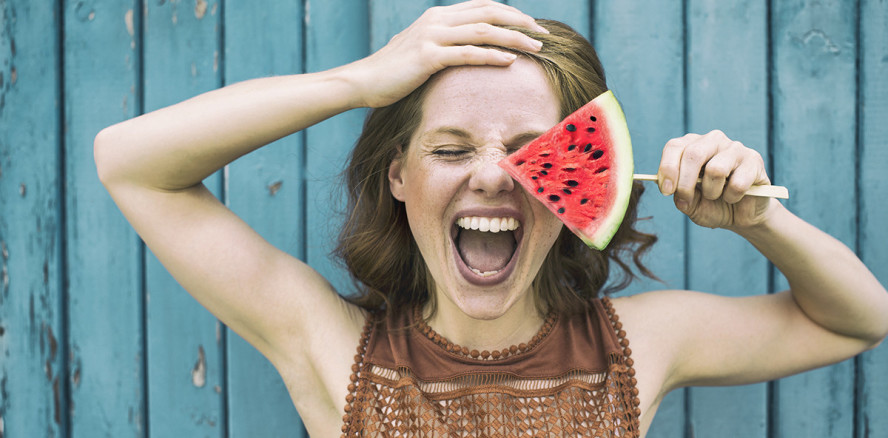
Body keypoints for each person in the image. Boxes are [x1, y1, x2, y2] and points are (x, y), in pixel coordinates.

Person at [94, 1, 888, 436]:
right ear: (398, 178)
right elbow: (130, 164)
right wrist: (360, 82)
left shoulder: (636, 346)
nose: (493, 175)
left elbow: (857, 320)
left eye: (531, 150)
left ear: (588, 174)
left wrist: (756, 220)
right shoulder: (333, 349)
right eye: (450, 150)